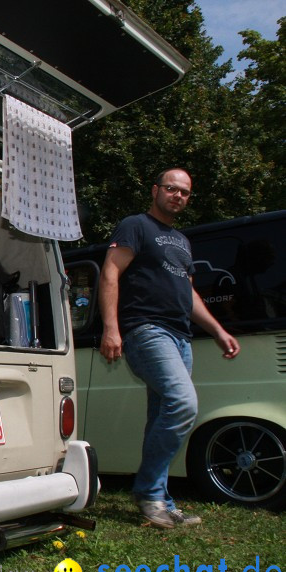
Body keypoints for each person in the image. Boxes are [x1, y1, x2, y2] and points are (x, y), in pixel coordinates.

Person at [98, 168, 240, 528]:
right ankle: (148, 491)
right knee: (183, 402)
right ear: (155, 190)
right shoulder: (136, 225)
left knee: (162, 415)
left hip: (180, 336)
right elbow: (110, 272)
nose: (177, 195)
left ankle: (158, 501)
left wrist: (218, 330)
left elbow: (189, 294)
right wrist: (111, 328)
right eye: (171, 188)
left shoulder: (182, 241)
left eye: (185, 192)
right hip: (147, 330)